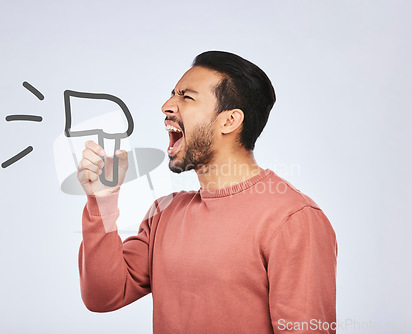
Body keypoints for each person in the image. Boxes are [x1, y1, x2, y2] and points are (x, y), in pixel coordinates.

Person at [77, 51, 337, 334]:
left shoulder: (293, 219)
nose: (167, 106)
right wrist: (101, 201)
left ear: (229, 121)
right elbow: (103, 296)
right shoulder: (165, 212)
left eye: (187, 97)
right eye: (173, 95)